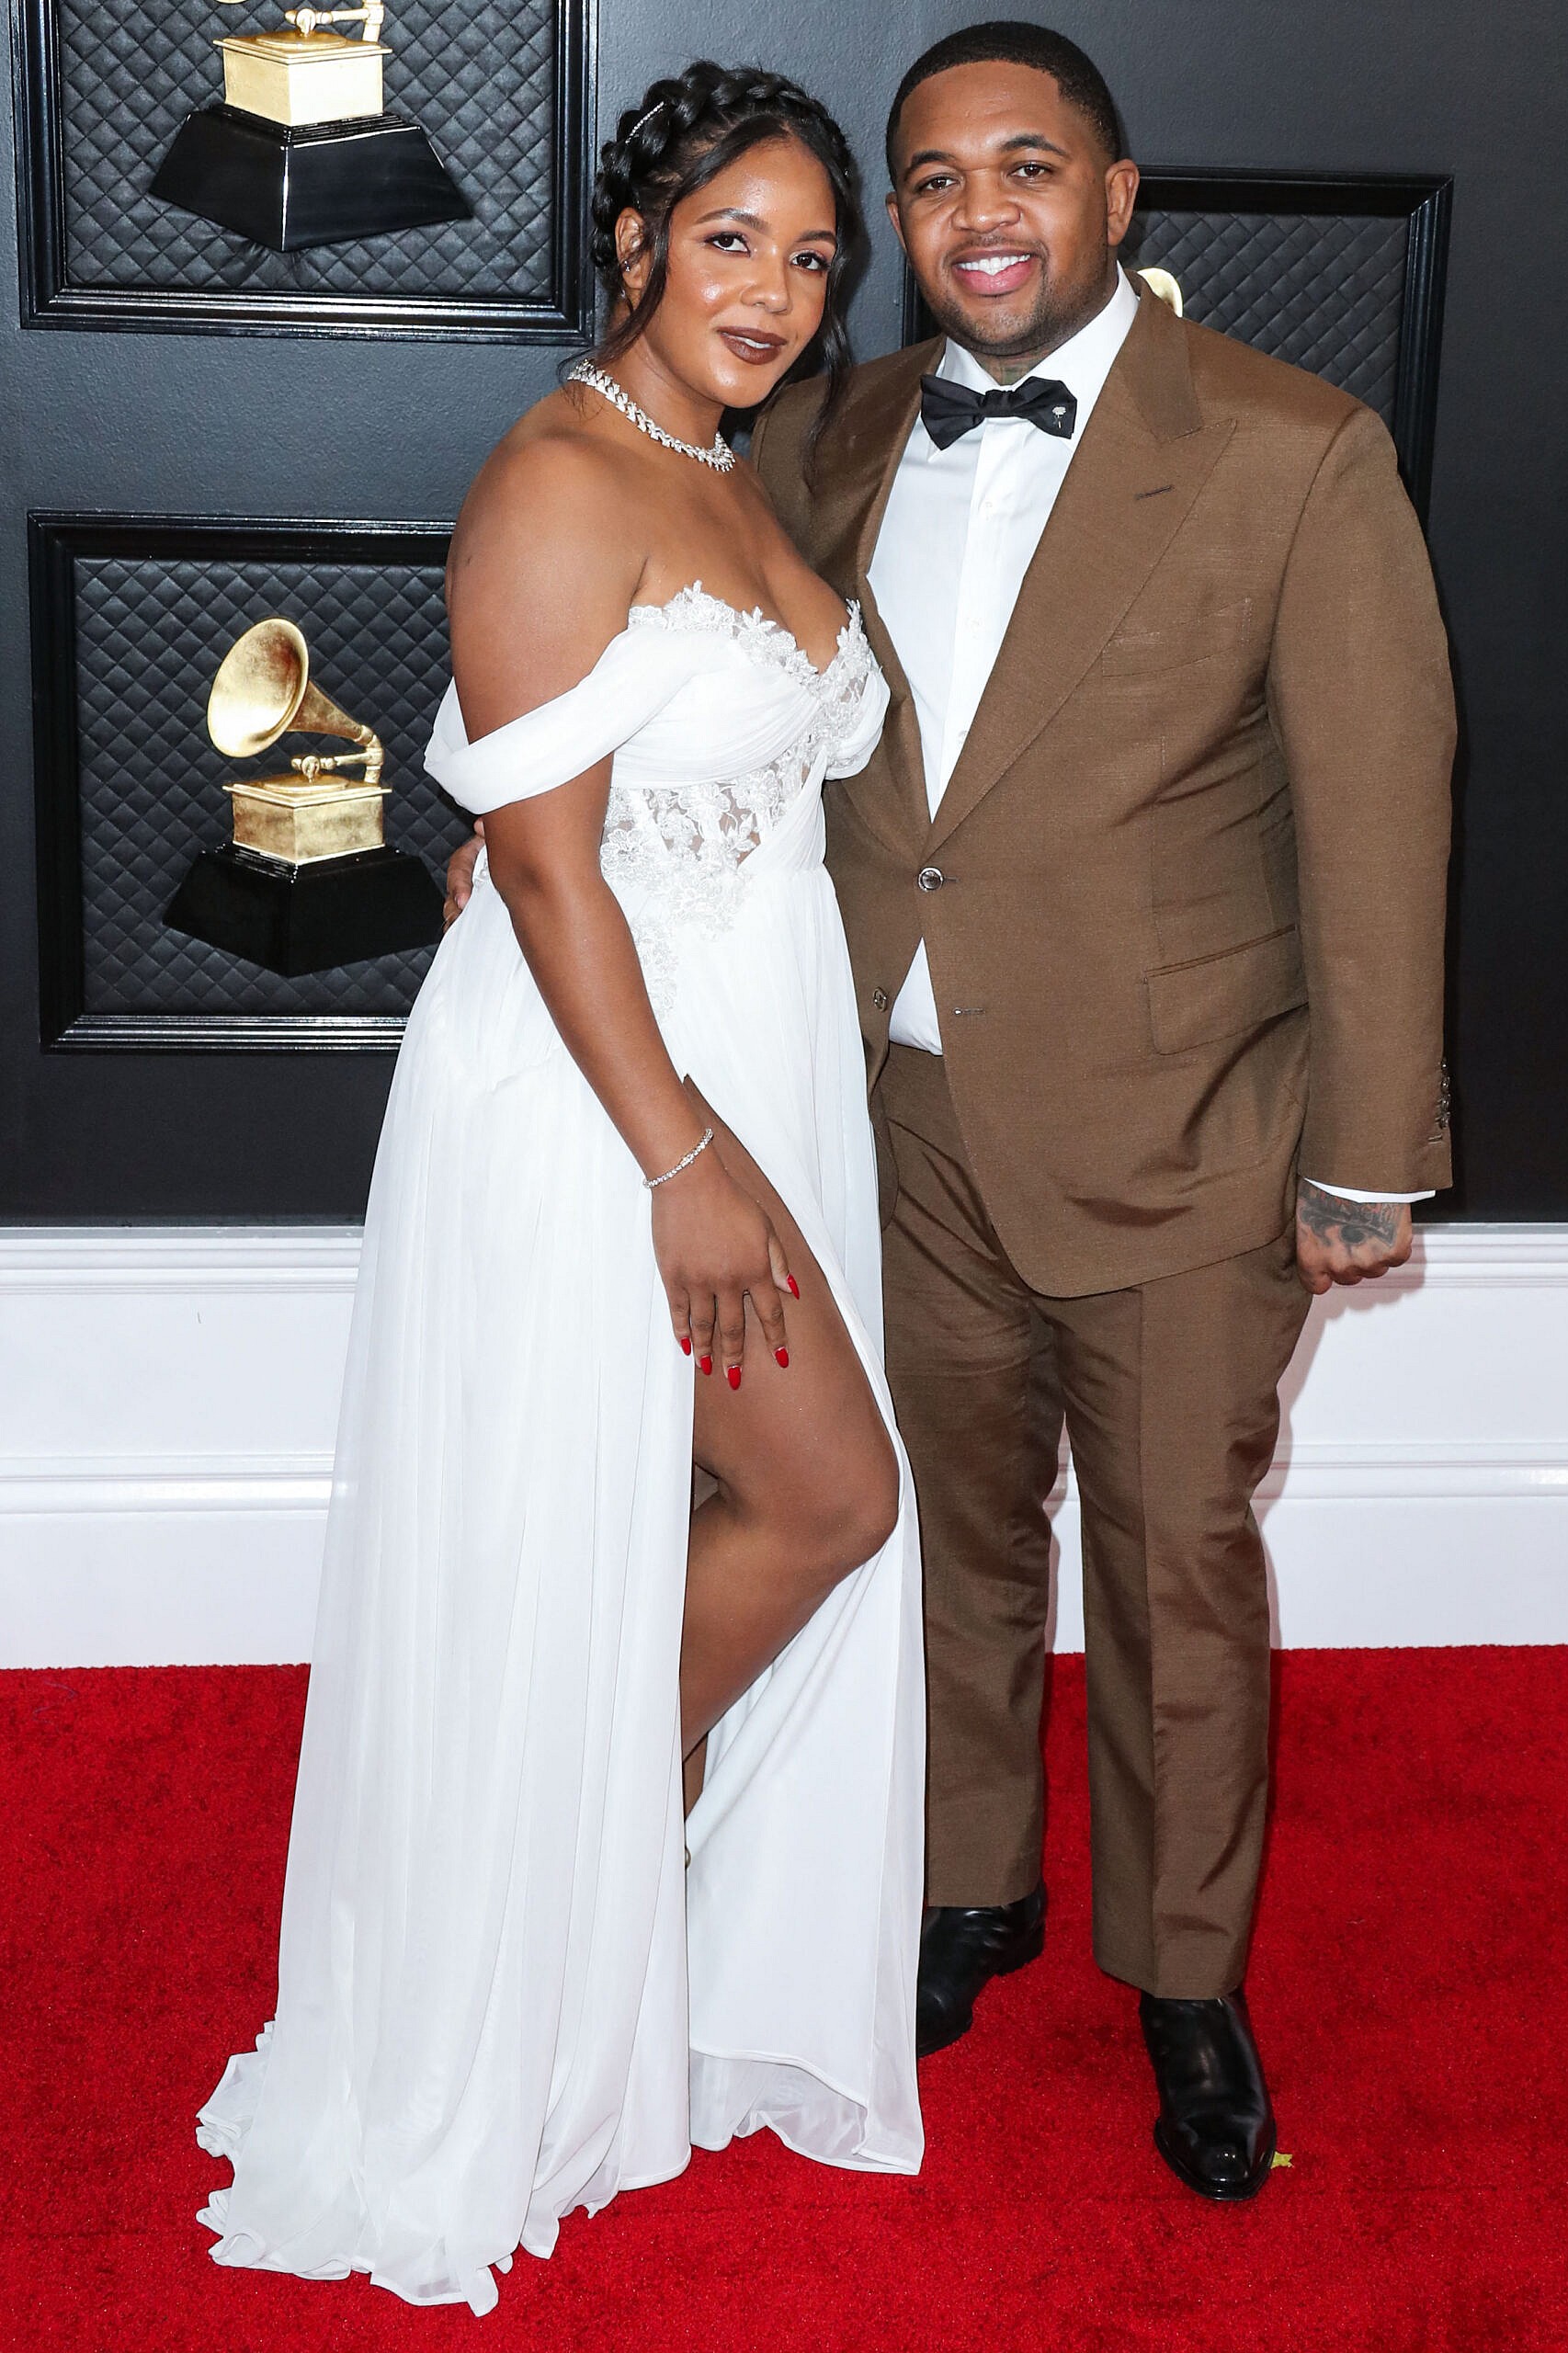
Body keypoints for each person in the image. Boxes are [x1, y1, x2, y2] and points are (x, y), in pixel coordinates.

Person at [195, 64, 924, 2315]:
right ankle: (541, 1897)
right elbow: (537, 857)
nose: (780, 292)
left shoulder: (728, 465)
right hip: (624, 1105)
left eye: (814, 258)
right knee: (830, 1497)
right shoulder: (555, 471)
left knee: (674, 1519)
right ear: (633, 241)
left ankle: (569, 1878)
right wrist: (684, 1161)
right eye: (735, 240)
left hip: (740, 1063)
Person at [748, 19, 1455, 2202]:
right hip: (902, 1113)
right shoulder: (834, 430)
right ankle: (977, 1883)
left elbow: (1378, 812)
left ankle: (1183, 1974)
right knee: (948, 1538)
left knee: (1172, 1571)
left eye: (1028, 168)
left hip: (1188, 1127)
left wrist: (1366, 1150)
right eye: (939, 178)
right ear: (901, 220)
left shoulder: (1290, 447)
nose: (983, 213)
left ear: (1118, 200)